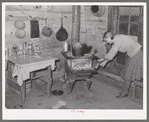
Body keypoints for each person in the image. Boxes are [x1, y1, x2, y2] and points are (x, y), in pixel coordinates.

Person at [96, 31, 143, 98]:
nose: (107, 42)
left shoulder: (118, 39)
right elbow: (111, 51)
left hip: (136, 54)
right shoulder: (115, 40)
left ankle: (125, 92)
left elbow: (114, 52)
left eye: (106, 40)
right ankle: (125, 91)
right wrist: (102, 59)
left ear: (109, 37)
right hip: (132, 53)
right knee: (125, 72)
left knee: (128, 73)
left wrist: (105, 62)